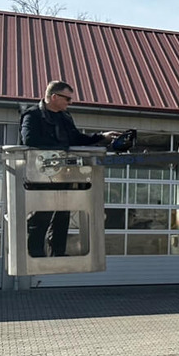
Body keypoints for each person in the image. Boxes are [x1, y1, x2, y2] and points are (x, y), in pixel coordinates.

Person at [19, 80, 122, 258]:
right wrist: (61, 147)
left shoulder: (65, 116)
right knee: (42, 213)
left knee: (63, 212)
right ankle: (35, 253)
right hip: (40, 173)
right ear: (54, 97)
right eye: (67, 98)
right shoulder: (33, 115)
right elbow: (29, 139)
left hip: (63, 173)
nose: (70, 102)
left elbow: (76, 138)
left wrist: (101, 137)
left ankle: (58, 252)